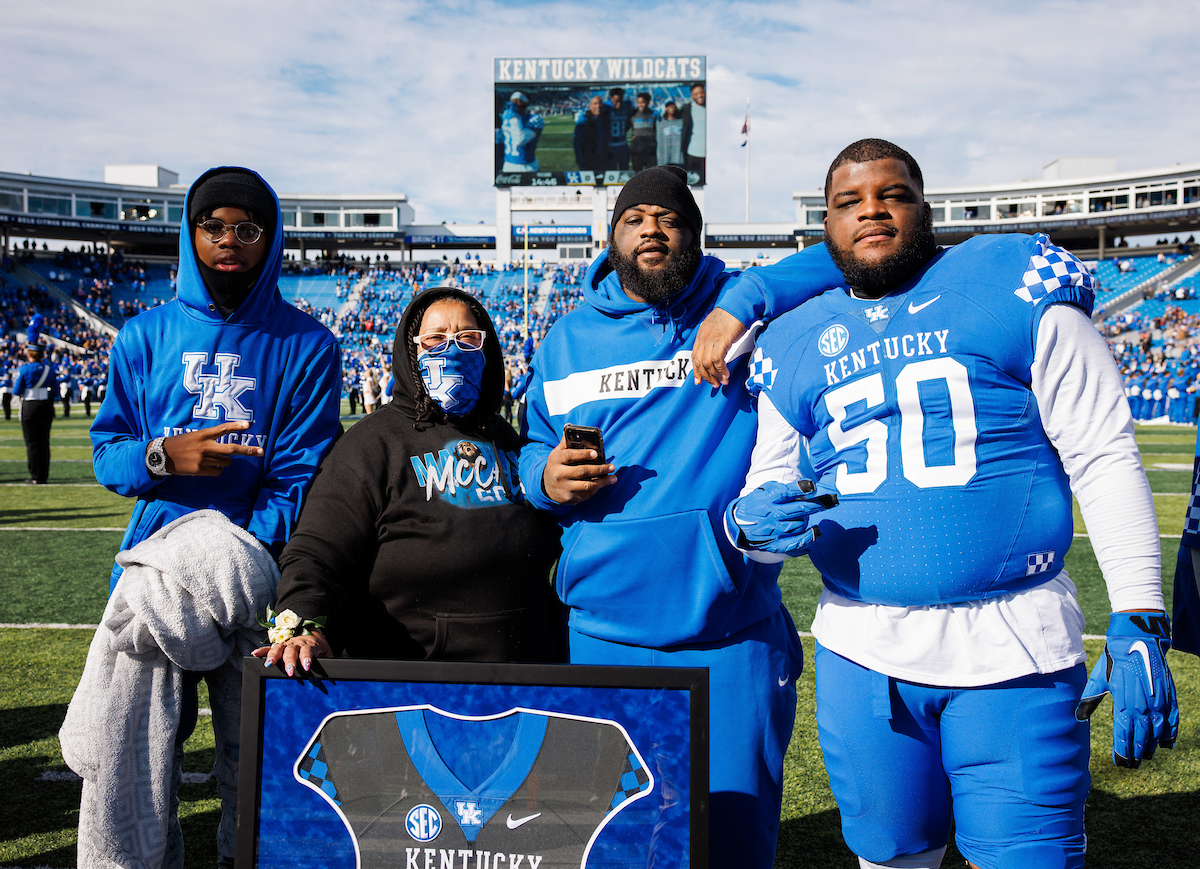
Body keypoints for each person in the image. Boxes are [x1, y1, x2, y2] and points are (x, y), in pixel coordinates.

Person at [711, 139, 1178, 869]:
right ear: (825, 228)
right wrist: (747, 526)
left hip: (1013, 639)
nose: (871, 210)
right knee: (891, 858)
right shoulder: (793, 339)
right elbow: (768, 500)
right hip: (861, 648)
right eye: (848, 201)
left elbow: (1102, 448)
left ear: (924, 208)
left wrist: (1141, 608)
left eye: (891, 194)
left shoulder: (1008, 278)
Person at [517, 165, 843, 868]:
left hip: (728, 631)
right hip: (602, 633)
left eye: (668, 218)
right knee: (609, 843)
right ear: (611, 240)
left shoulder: (743, 308)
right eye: (635, 219)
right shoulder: (567, 339)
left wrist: (746, 297)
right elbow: (530, 447)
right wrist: (542, 476)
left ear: (695, 234)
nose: (652, 229)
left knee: (731, 841)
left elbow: (843, 250)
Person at [88, 166, 343, 869]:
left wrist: (232, 556)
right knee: (139, 756)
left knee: (252, 753)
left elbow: (301, 471)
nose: (230, 241)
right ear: (190, 232)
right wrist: (164, 459)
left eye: (248, 228)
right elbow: (108, 454)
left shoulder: (308, 344)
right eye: (214, 226)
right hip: (152, 569)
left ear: (272, 238)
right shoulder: (141, 337)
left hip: (256, 574)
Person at [258, 286, 563, 672]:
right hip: (416, 675)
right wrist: (303, 620)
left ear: (487, 350)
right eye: (435, 339)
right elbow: (318, 551)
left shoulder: (507, 438)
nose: (452, 351)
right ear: (410, 350)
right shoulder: (371, 443)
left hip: (523, 672)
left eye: (468, 338)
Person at [12, 342, 57, 484]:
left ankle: (35, 476)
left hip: (30, 406)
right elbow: (55, 391)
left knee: (32, 443)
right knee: (44, 441)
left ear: (29, 354)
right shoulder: (48, 369)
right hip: (45, 405)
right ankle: (44, 476)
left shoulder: (25, 369)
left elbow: (17, 390)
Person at [500, 91, 544, 173]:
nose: (514, 104)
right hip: (508, 165)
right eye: (513, 101)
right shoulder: (506, 115)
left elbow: (519, 140)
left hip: (527, 166)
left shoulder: (534, 119)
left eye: (518, 101)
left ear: (526, 104)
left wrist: (514, 118)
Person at [572, 94, 609, 174]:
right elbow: (577, 142)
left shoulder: (604, 118)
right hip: (589, 158)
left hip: (603, 158)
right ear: (590, 106)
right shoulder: (584, 120)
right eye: (595, 104)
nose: (598, 106)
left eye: (599, 103)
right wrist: (580, 160)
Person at [680, 82, 707, 185]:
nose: (700, 95)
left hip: (707, 155)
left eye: (701, 92)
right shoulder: (686, 109)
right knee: (691, 184)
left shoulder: (711, 108)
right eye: (696, 94)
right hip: (692, 153)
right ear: (692, 96)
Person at [604, 86, 636, 171]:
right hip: (610, 146)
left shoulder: (626, 105)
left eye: (620, 101)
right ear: (611, 98)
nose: (619, 104)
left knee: (624, 172)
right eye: (616, 101)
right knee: (611, 173)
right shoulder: (606, 108)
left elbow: (631, 120)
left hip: (623, 144)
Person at [629, 91, 658, 172]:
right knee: (637, 173)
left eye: (643, 102)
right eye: (638, 102)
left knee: (651, 173)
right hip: (637, 149)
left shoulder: (653, 114)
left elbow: (656, 130)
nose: (640, 105)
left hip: (650, 148)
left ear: (648, 102)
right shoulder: (633, 114)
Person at [656, 101, 684, 168]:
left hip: (678, 157)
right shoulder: (660, 123)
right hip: (665, 157)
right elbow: (659, 140)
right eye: (668, 105)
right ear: (666, 108)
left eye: (672, 105)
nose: (671, 107)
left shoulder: (681, 121)